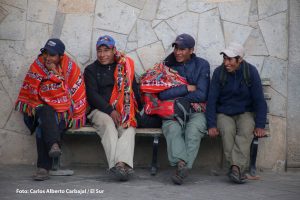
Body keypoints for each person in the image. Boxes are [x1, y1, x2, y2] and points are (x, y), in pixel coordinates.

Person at [15, 38, 87, 181]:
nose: (48, 58)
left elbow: (73, 95)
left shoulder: (71, 69)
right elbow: (30, 92)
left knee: (46, 123)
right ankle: (53, 145)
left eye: (52, 55)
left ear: (61, 56)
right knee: (45, 111)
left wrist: (55, 75)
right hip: (40, 108)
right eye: (46, 53)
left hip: (64, 112)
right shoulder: (37, 65)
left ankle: (43, 168)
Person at [206, 42, 267, 184]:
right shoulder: (219, 73)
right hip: (224, 113)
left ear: (239, 60)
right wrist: (211, 124)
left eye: (230, 59)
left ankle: (234, 168)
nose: (226, 63)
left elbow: (259, 100)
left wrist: (260, 125)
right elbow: (212, 101)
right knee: (227, 131)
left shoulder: (250, 72)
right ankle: (237, 169)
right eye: (224, 59)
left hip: (245, 112)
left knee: (246, 130)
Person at [84, 35, 143, 181]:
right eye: (99, 50)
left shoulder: (124, 67)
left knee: (128, 128)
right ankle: (117, 165)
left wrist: (131, 112)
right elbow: (92, 95)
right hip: (99, 111)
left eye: (106, 50)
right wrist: (110, 110)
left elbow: (134, 92)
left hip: (122, 110)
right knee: (108, 124)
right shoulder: (91, 70)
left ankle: (120, 164)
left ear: (114, 50)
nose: (102, 54)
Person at [158, 34, 210, 185]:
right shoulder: (167, 66)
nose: (178, 52)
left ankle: (182, 169)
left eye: (182, 49)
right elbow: (162, 94)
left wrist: (179, 97)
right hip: (174, 111)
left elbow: (202, 94)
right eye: (176, 48)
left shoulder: (202, 65)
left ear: (191, 50)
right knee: (171, 128)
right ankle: (182, 165)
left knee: (194, 130)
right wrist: (186, 88)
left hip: (196, 110)